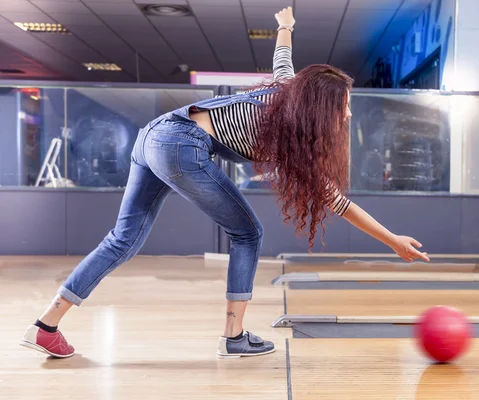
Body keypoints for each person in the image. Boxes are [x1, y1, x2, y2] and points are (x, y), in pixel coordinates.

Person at [20, 6, 429, 360]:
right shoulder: (292, 137)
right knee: (248, 233)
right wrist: (392, 239)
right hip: (180, 144)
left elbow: (283, 58)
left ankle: (46, 325)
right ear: (321, 109)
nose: (349, 116)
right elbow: (338, 203)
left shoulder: (285, 93)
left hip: (153, 135)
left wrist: (286, 25)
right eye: (345, 106)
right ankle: (233, 338)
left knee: (122, 239)